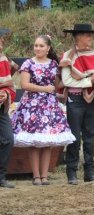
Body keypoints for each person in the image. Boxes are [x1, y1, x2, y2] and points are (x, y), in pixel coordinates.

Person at [12, 35, 75, 185]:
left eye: (41, 46)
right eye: (36, 45)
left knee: (47, 142)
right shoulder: (28, 63)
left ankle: (45, 175)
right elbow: (25, 85)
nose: (38, 48)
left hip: (49, 106)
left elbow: (58, 84)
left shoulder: (53, 64)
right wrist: (45, 89)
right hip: (32, 105)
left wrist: (69, 70)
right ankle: (36, 176)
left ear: (48, 48)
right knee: (34, 142)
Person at [60, 24, 94, 185]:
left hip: (90, 98)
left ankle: (90, 172)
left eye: (91, 35)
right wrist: (90, 80)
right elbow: (67, 81)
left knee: (90, 136)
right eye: (88, 35)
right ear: (78, 36)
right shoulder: (69, 56)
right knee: (75, 137)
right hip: (75, 99)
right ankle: (72, 172)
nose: (91, 38)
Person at [0, 27, 17, 188]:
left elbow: (9, 84)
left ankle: (1, 176)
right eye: (0, 38)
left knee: (8, 139)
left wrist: (5, 93)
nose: (2, 41)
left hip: (1, 108)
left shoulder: (3, 59)